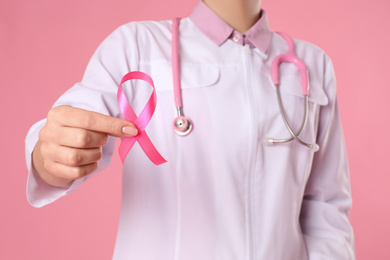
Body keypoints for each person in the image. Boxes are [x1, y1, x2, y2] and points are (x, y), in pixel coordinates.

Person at [25, 0, 355, 259]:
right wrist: (50, 154)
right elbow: (68, 127)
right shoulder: (138, 46)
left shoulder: (314, 65)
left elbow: (326, 206)